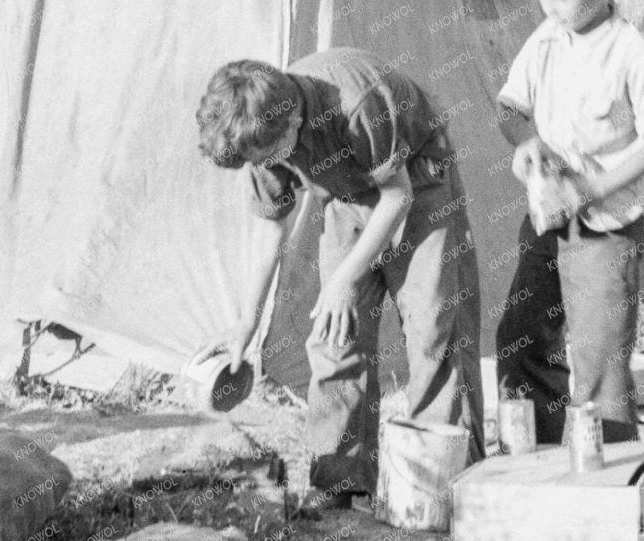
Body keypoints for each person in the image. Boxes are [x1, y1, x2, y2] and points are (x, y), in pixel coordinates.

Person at [196, 48, 487, 510]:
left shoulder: (358, 101)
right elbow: (273, 227)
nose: (270, 164)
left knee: (435, 331)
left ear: (292, 120)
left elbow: (397, 198)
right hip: (347, 195)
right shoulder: (257, 131)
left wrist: (341, 280)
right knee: (334, 337)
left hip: (418, 184)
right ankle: (341, 485)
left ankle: (443, 489)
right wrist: (245, 323)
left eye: (273, 155)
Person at [494, 0, 644, 444]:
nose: (551, 9)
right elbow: (510, 108)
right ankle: (549, 454)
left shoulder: (631, 51)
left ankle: (613, 481)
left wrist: (593, 189)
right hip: (548, 219)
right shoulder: (548, 39)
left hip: (606, 228)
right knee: (522, 337)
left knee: (598, 362)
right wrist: (526, 141)